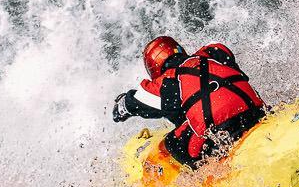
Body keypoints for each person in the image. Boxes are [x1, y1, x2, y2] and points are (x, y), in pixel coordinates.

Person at [111, 34, 267, 167]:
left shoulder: (166, 82)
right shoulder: (214, 52)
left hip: (221, 134)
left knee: (172, 143)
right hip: (258, 113)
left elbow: (130, 103)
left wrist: (119, 108)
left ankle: (206, 178)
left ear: (154, 68)